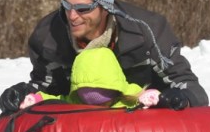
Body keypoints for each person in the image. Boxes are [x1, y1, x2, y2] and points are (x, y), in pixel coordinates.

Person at [0, 0, 209, 113]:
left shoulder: (148, 31)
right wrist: (21, 93)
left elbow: (187, 83)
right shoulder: (48, 36)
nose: (72, 16)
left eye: (83, 9)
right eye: (66, 5)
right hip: (80, 127)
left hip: (144, 118)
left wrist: (181, 98)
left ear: (105, 8)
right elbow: (44, 87)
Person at [19, 47, 162, 109]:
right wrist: (37, 99)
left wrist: (151, 97)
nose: (97, 108)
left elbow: (141, 95)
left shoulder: (127, 96)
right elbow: (56, 101)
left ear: (115, 92)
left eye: (103, 103)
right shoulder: (75, 101)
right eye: (88, 102)